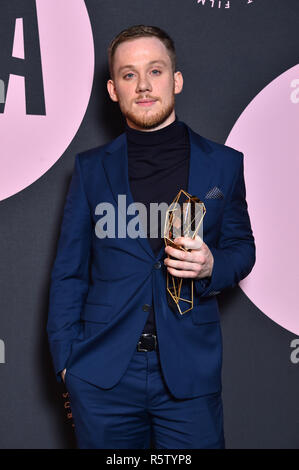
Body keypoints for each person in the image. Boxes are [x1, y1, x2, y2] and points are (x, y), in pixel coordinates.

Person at [47, 24, 255, 449]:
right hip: (103, 376)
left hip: (187, 374)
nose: (143, 86)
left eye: (155, 71)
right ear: (112, 89)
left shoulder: (223, 166)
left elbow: (242, 248)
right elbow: (68, 273)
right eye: (128, 75)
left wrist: (214, 265)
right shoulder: (90, 170)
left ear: (176, 80)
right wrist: (68, 365)